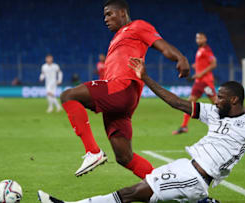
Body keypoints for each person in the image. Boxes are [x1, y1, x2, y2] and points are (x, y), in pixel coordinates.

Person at [38, 58, 245, 203]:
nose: (215, 100)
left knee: (131, 194)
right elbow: (175, 102)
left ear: (234, 100)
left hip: (196, 178)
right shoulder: (213, 113)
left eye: (220, 97)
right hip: (185, 167)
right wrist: (146, 78)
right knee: (142, 196)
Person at [59, 0, 189, 178]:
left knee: (69, 96)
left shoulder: (137, 26)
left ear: (122, 13)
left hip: (122, 86)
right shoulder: (117, 38)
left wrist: (180, 58)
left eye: (109, 14)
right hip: (121, 98)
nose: (105, 19)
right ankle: (164, 186)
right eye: (104, 15)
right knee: (124, 156)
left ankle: (93, 152)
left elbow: (163, 46)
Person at [173, 32, 217, 135]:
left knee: (217, 103)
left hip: (205, 82)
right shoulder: (200, 50)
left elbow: (213, 63)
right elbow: (203, 63)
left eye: (200, 38)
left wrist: (200, 73)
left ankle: (239, 114)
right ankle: (184, 126)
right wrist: (196, 66)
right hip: (199, 82)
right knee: (189, 103)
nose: (198, 40)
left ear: (205, 39)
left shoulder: (206, 50)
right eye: (197, 38)